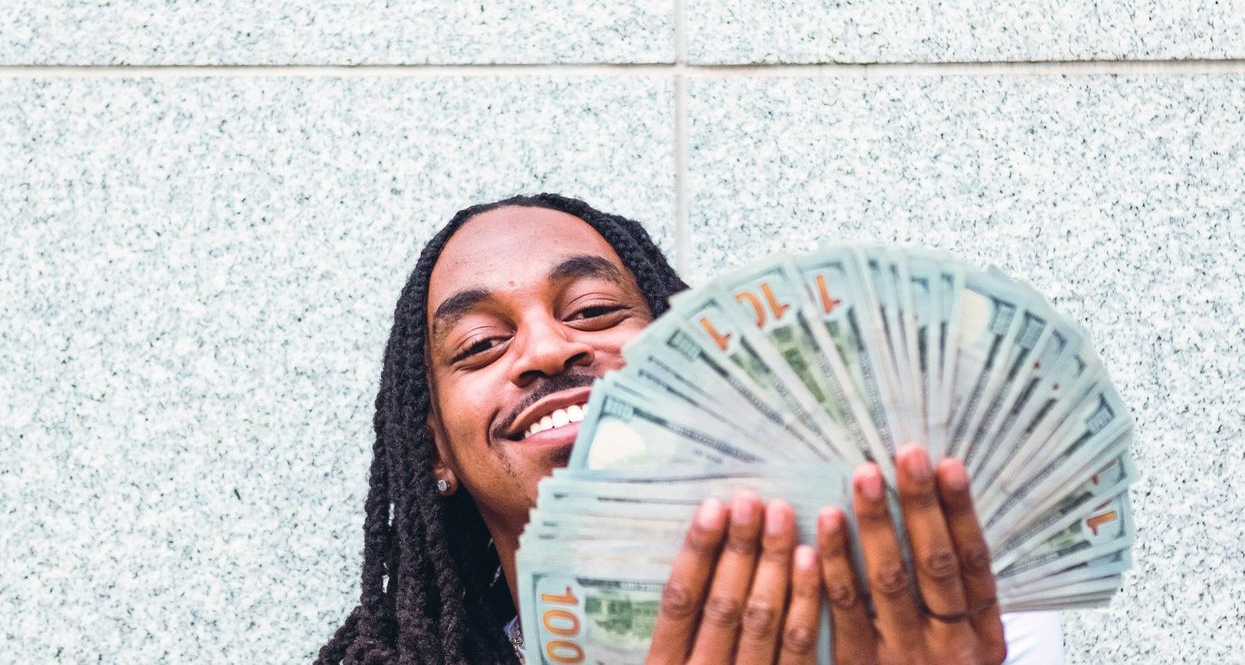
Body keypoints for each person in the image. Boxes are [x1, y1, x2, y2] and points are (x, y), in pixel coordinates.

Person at [316, 193, 1064, 664]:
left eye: (592, 312)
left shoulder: (925, 615)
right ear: (436, 451)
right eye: (481, 345)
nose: (547, 349)